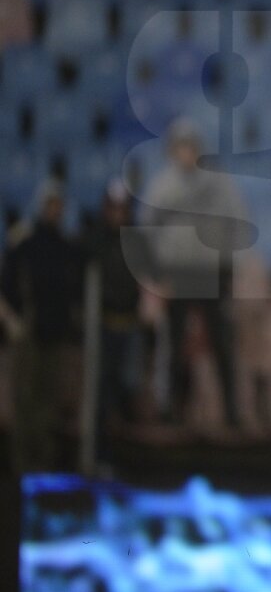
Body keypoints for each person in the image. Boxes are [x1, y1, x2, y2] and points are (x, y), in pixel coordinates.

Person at [140, 118, 249, 430]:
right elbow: (148, 230)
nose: (187, 153)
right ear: (172, 150)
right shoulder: (162, 184)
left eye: (192, 146)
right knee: (173, 345)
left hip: (211, 272)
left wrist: (227, 267)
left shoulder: (219, 183)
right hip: (177, 274)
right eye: (181, 147)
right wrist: (158, 272)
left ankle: (231, 411)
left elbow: (237, 222)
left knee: (221, 343)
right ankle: (170, 409)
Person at [1, 180, 84, 472]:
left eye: (58, 205)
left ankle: (43, 462)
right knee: (26, 398)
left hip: (54, 332)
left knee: (48, 401)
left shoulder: (64, 246)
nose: (54, 210)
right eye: (49, 204)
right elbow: (8, 287)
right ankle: (21, 463)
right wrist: (12, 322)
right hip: (28, 332)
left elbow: (72, 291)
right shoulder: (24, 242)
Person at [83, 179, 158, 471]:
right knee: (102, 392)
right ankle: (101, 454)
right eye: (113, 208)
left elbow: (153, 277)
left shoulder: (137, 241)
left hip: (130, 327)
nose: (118, 214)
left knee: (129, 389)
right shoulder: (94, 239)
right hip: (102, 326)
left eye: (123, 208)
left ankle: (129, 457)